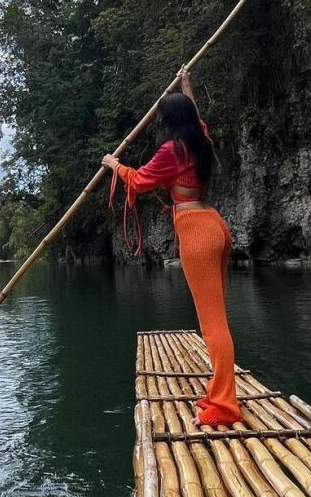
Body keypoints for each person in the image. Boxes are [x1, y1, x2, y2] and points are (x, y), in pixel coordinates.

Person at [102, 67, 241, 427]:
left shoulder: (171, 151)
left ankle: (224, 405)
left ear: (168, 121)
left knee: (213, 324)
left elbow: (142, 180)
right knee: (216, 318)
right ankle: (219, 390)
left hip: (196, 232)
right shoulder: (201, 141)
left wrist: (115, 166)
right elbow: (198, 118)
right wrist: (187, 85)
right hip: (215, 226)